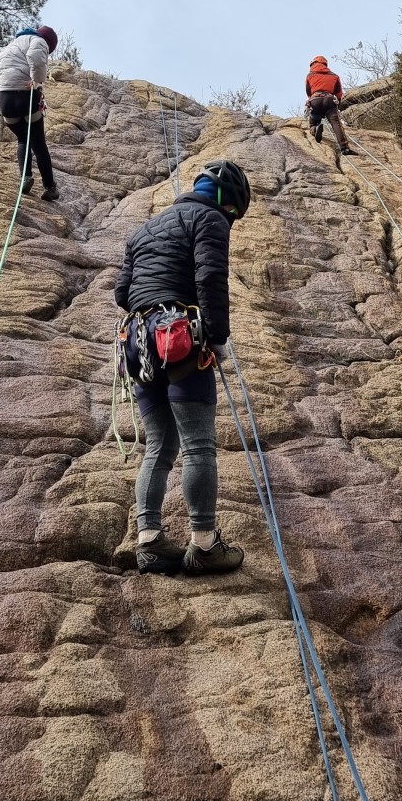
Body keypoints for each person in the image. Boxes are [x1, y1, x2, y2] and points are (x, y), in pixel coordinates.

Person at [114, 159, 252, 575]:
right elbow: (211, 278)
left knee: (158, 447)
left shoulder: (143, 230)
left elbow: (123, 291)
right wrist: (217, 339)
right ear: (229, 202)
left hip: (137, 344)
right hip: (178, 339)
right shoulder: (210, 218)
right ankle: (205, 545)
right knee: (197, 444)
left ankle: (150, 542)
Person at [0, 25, 60, 201]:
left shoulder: (8, 47)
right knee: (38, 143)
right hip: (26, 95)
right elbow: (35, 57)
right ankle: (50, 187)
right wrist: (37, 81)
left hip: (5, 101)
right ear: (49, 42)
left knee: (22, 139)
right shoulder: (39, 41)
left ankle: (25, 178)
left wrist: (3, 90)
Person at [305, 55, 352, 154]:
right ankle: (344, 147)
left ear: (313, 64)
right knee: (336, 123)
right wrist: (337, 104)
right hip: (329, 99)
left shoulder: (309, 75)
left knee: (313, 122)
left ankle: (315, 128)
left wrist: (312, 100)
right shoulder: (334, 76)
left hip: (315, 100)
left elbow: (308, 91)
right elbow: (339, 93)